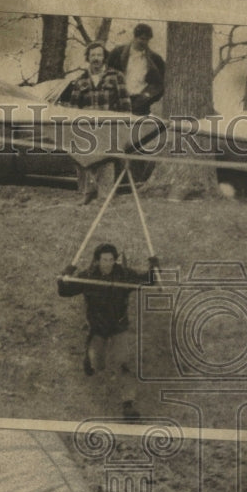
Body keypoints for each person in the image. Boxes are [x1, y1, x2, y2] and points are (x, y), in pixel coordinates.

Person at [58, 243, 158, 420]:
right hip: (98, 327)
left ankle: (128, 405)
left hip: (118, 326)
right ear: (97, 260)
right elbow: (65, 292)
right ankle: (89, 358)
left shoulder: (124, 275)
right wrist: (66, 274)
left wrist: (154, 266)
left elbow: (149, 280)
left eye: (111, 260)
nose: (108, 263)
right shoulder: (87, 276)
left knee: (122, 363)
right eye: (104, 260)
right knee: (98, 365)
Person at [62, 41, 131, 204]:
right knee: (82, 158)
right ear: (88, 58)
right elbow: (73, 107)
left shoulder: (116, 77)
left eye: (99, 55)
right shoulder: (80, 80)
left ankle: (104, 196)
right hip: (86, 128)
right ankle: (86, 193)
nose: (96, 58)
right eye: (93, 55)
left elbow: (125, 103)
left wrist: (124, 126)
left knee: (106, 160)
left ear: (104, 57)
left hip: (108, 126)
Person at [107, 23, 166, 116]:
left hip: (141, 104)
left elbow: (160, 83)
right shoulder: (117, 53)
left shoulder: (155, 59)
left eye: (147, 39)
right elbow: (107, 75)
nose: (144, 42)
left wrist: (147, 96)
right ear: (134, 37)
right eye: (142, 39)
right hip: (118, 102)